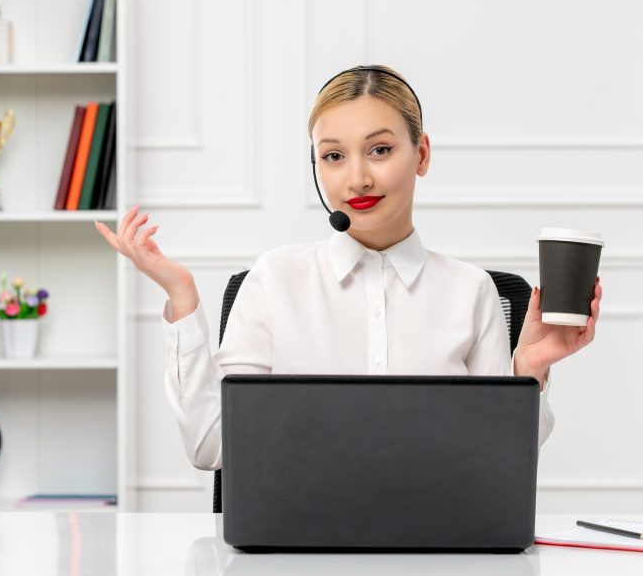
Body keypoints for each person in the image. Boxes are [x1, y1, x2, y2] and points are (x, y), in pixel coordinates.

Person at [95, 65, 603, 471]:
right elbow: (211, 448)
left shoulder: (472, 291)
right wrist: (183, 302)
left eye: (380, 150)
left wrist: (528, 372)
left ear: (420, 154)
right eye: (333, 156)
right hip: (297, 549)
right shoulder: (274, 279)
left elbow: (499, 456)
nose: (357, 178)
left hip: (438, 546)